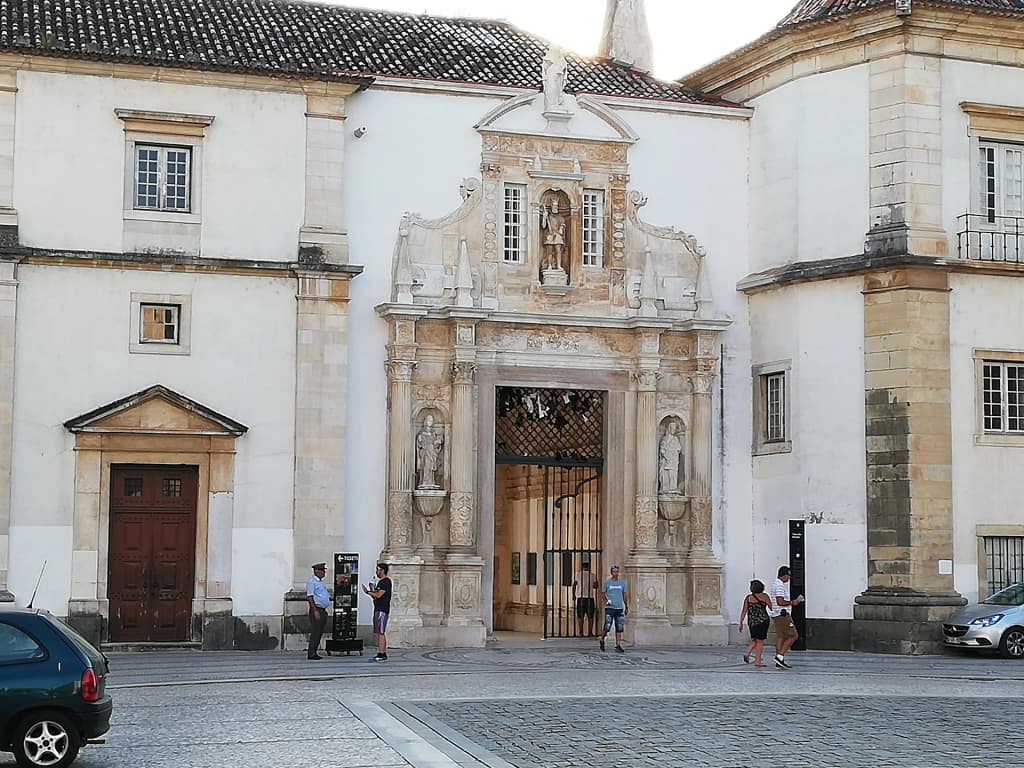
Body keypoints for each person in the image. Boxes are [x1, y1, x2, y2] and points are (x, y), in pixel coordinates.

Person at [769, 565, 804, 669]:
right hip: (782, 614)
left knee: (781, 637)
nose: (789, 578)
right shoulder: (779, 586)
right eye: (788, 575)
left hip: (776, 614)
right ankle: (780, 657)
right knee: (793, 636)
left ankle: (779, 660)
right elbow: (780, 601)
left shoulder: (775, 584)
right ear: (783, 575)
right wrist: (792, 602)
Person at [738, 579, 772, 667]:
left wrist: (741, 622)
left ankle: (747, 653)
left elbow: (744, 611)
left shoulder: (748, 598)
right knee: (760, 641)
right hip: (762, 621)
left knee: (755, 639)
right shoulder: (765, 596)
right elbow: (771, 607)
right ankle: (757, 661)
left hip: (752, 622)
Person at [362, 563, 392, 661]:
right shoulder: (380, 582)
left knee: (381, 632)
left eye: (378, 569)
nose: (376, 572)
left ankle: (381, 653)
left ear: (382, 570)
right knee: (379, 631)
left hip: (382, 610)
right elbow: (376, 595)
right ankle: (381, 651)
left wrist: (367, 592)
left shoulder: (386, 582)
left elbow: (379, 595)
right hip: (378, 608)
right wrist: (371, 592)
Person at [599, 564, 628, 653]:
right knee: (607, 626)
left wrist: (626, 605)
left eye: (617, 571)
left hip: (619, 607)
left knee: (619, 627)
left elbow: (624, 594)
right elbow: (603, 593)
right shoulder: (607, 583)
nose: (615, 573)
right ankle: (602, 638)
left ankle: (618, 644)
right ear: (611, 573)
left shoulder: (622, 583)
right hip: (610, 607)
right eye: (614, 571)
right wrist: (606, 601)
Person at [305, 562, 330, 660]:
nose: (324, 573)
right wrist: (315, 610)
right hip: (317, 609)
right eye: (322, 571)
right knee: (315, 631)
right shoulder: (312, 582)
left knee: (319, 631)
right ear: (317, 571)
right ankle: (311, 653)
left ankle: (314, 651)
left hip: (322, 609)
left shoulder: (321, 582)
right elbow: (310, 597)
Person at [572, 561, 599, 637]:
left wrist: (573, 595)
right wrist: (590, 585)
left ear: (582, 567)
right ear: (589, 567)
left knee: (580, 616)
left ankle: (581, 632)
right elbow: (596, 586)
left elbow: (574, 585)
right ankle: (590, 632)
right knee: (590, 616)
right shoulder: (592, 575)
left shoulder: (578, 575)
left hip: (580, 597)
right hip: (590, 598)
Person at [416, 415, 443, 489]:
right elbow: (419, 446)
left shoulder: (433, 433)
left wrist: (437, 443)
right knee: (425, 466)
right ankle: (424, 482)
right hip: (425, 454)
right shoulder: (421, 434)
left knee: (431, 467)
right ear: (425, 421)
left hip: (432, 454)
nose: (430, 422)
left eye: (431, 421)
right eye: (428, 420)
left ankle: (431, 482)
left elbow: (436, 446)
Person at [658, 422, 683, 495]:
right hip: (666, 460)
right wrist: (666, 454)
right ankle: (665, 488)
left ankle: (673, 487)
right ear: (669, 429)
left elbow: (679, 448)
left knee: (673, 475)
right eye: (672, 428)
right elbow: (662, 449)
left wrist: (672, 451)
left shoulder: (675, 439)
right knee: (665, 475)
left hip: (673, 460)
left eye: (675, 429)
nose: (674, 430)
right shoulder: (665, 439)